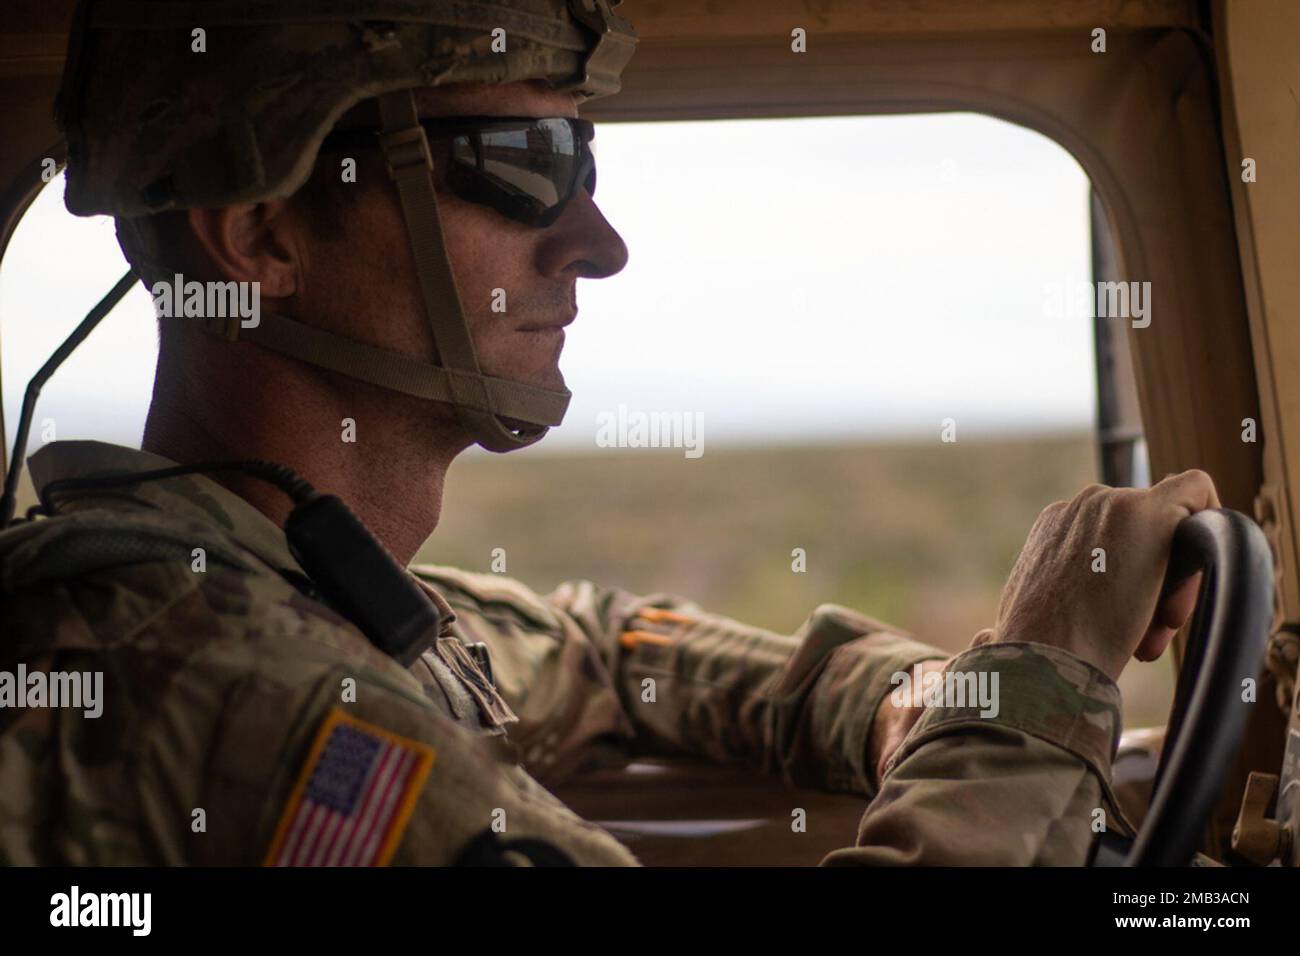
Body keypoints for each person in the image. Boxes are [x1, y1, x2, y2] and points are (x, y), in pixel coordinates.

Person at [0, 0, 1213, 866]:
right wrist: (1037, 683)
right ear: (260, 236)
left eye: (580, 157)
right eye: (523, 165)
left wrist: (913, 701)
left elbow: (591, 642)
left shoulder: (293, 587)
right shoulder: (244, 697)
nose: (597, 241)